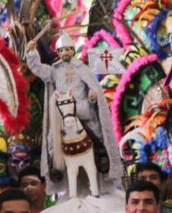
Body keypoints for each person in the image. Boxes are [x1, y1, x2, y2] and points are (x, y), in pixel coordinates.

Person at [26, 31, 122, 196]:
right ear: (58, 53)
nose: (65, 53)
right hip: (62, 114)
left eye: (68, 49)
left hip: (83, 110)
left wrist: (93, 96)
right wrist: (32, 53)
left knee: (98, 135)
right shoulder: (54, 70)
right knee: (51, 140)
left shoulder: (81, 67)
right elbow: (38, 69)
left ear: (73, 50)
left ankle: (103, 162)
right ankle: (54, 168)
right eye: (62, 50)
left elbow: (93, 87)